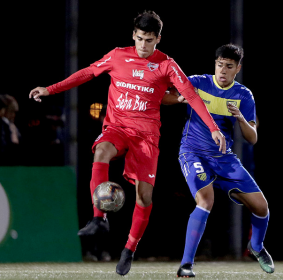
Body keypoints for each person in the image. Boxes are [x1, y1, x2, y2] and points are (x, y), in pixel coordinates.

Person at [29, 11, 225, 276]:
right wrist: (50, 89)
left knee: (144, 197)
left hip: (146, 137)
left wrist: (213, 127)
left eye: (150, 40)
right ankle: (99, 219)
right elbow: (87, 73)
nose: (144, 46)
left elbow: (189, 94)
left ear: (158, 39)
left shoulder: (166, 64)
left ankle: (129, 249)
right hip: (118, 127)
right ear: (134, 34)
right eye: (140, 39)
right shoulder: (118, 56)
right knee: (101, 151)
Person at [162, 44, 274, 277]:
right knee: (206, 200)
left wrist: (241, 118)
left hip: (224, 158)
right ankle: (186, 265)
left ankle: (255, 247)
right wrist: (180, 98)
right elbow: (164, 97)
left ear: (238, 69)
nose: (223, 70)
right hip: (193, 153)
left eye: (229, 67)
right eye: (219, 65)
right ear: (215, 64)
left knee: (262, 207)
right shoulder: (198, 82)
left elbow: (252, 138)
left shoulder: (244, 95)